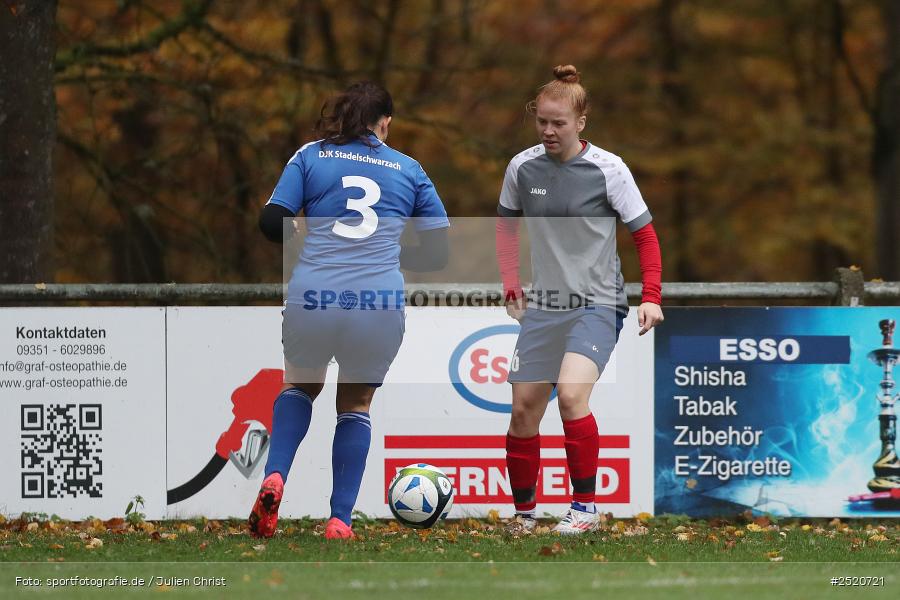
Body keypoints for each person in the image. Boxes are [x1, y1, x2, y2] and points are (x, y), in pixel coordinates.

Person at [250, 81, 450, 540]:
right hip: (376, 302)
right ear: (385, 123)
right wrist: (390, 255)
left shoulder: (311, 156)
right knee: (355, 405)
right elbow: (437, 254)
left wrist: (295, 231)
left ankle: (275, 475)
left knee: (300, 386)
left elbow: (270, 222)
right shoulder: (410, 169)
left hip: (314, 295)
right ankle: (340, 520)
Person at [495, 65, 663, 535]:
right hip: (545, 304)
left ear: (580, 122)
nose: (549, 131)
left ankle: (584, 510)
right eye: (542, 121)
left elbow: (645, 236)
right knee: (523, 409)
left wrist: (651, 296)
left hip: (598, 302)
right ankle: (524, 517)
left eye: (559, 123)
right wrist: (511, 283)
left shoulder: (610, 169)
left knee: (570, 395)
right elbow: (505, 228)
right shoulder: (521, 167)